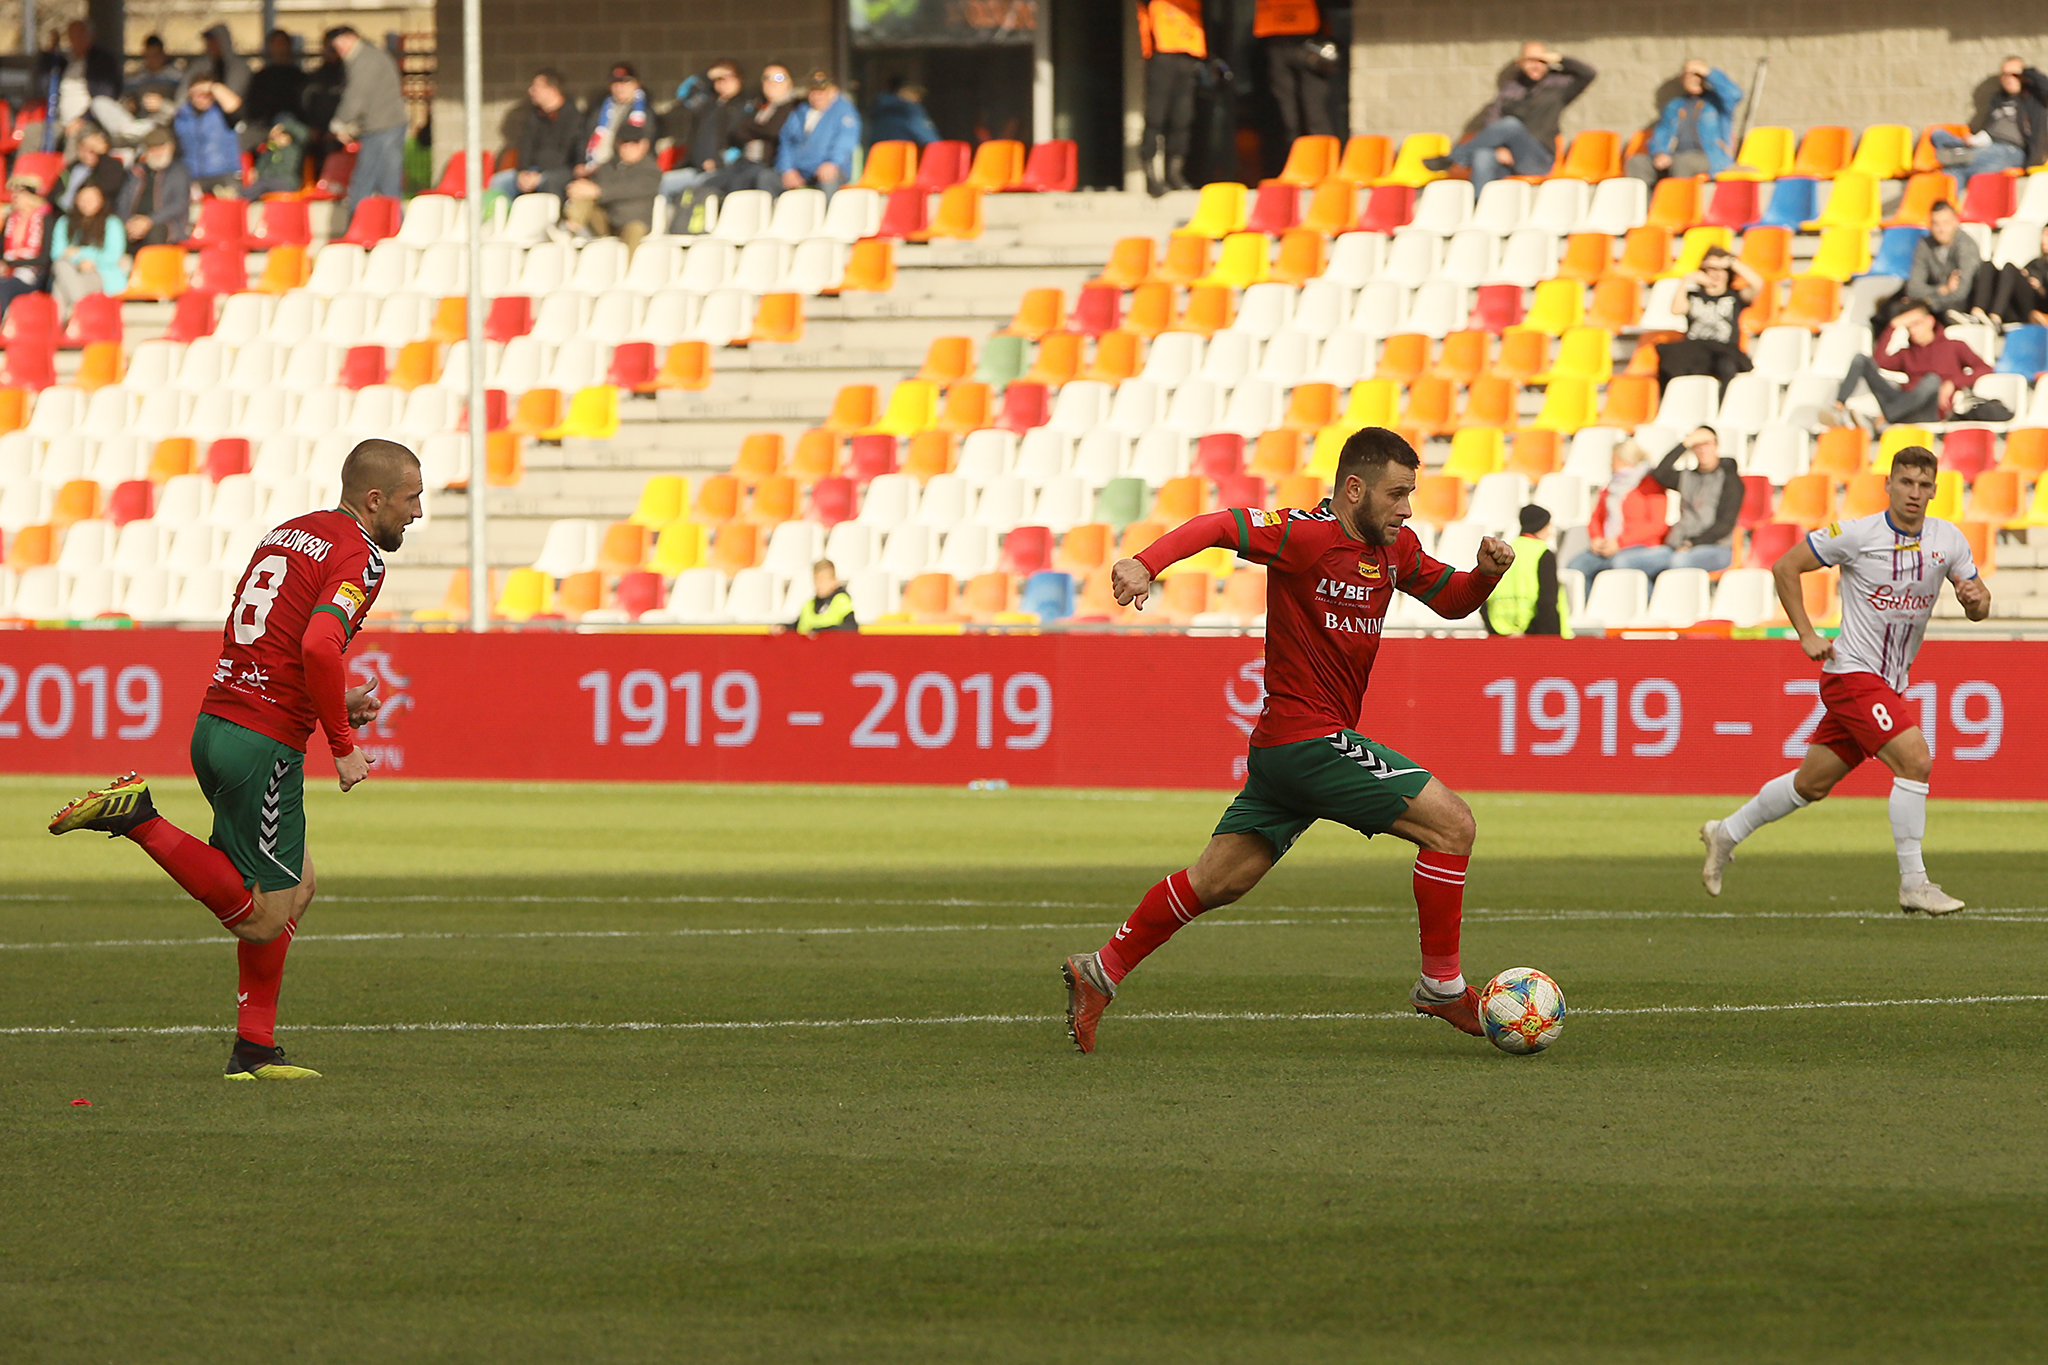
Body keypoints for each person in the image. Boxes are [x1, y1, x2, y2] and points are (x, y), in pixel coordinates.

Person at [1060, 427, 1513, 1053]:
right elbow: (1220, 524)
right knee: (1452, 826)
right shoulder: (1306, 535)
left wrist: (1484, 575)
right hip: (1309, 740)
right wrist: (1146, 564)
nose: (1407, 509)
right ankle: (1441, 986)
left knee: (1218, 880)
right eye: (1396, 494)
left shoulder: (1397, 549)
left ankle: (1100, 970)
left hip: (1285, 751)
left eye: (1410, 494)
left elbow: (1453, 601)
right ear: (1353, 489)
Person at [48, 440, 424, 1081]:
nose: (416, 513)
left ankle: (254, 1047)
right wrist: (342, 744)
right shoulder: (360, 556)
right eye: (411, 499)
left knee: (297, 885)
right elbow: (319, 645)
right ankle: (138, 818)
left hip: (220, 722)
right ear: (374, 499)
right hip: (263, 743)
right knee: (265, 917)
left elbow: (279, 641)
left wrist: (335, 701)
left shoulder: (291, 533)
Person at [1700, 446, 1990, 915]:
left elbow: (1980, 606)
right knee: (1915, 760)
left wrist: (1976, 599)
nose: (1914, 493)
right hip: (1851, 672)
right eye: (1906, 482)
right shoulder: (1856, 535)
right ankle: (1914, 884)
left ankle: (1726, 832)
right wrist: (1807, 633)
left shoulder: (1948, 540)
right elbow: (1785, 566)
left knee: (1811, 784)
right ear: (1888, 485)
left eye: (1923, 485)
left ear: (1935, 490)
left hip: (1888, 682)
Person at [1429, 43, 1596, 190]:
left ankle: (1454, 158)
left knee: (1510, 124)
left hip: (1538, 159)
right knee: (1482, 155)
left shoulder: (1559, 86)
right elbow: (1493, 118)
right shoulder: (1512, 88)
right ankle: (1479, 207)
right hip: (1510, 159)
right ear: (1520, 62)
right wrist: (1500, 148)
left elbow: (1588, 74)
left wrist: (1558, 58)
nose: (1535, 65)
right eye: (1530, 60)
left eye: (1540, 61)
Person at [1831, 301, 1992, 430]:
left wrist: (1953, 383)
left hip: (1930, 410)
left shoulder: (1955, 346)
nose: (1913, 330)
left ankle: (1885, 418)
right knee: (1861, 359)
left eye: (1917, 324)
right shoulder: (1906, 353)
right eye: (1909, 327)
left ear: (1930, 321)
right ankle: (1839, 407)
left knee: (1932, 380)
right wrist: (1892, 326)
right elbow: (1878, 362)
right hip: (1904, 402)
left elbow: (1985, 368)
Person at [1622, 427, 1744, 582]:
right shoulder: (1687, 477)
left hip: (1716, 548)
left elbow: (1725, 524)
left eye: (1707, 443)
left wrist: (1692, 543)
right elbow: (1660, 473)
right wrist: (1685, 443)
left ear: (1716, 446)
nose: (1702, 449)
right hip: (1677, 546)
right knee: (1624, 562)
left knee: (1677, 562)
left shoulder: (1730, 480)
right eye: (1697, 444)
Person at [326, 26, 409, 231]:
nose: (340, 49)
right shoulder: (370, 56)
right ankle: (395, 229)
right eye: (336, 46)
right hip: (385, 125)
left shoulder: (364, 59)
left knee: (364, 182)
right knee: (388, 183)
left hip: (381, 128)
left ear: (353, 38)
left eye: (342, 43)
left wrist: (339, 123)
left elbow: (356, 96)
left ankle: (357, 230)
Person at [1656, 246, 1761, 395]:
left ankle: (1722, 405)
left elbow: (1758, 284)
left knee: (1726, 366)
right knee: (1672, 361)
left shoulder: (1735, 296)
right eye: (1711, 269)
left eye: (1721, 269)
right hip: (1696, 349)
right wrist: (1686, 280)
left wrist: (1732, 262)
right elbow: (1676, 309)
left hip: (1724, 349)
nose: (1716, 274)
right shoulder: (1694, 296)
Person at [1566, 439, 1666, 585]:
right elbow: (1596, 517)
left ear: (1626, 460)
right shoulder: (1610, 487)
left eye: (1614, 460)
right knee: (1576, 566)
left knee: (1619, 564)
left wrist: (1620, 542)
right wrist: (1597, 538)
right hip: (1607, 545)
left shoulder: (1651, 485)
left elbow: (1656, 525)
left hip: (1640, 546)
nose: (1611, 465)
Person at [1930, 57, 2048, 181]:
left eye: (2014, 74)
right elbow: (1989, 128)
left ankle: (1957, 157)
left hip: (2012, 150)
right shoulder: (1998, 99)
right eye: (2004, 74)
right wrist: (1973, 140)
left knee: (1957, 168)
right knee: (1938, 135)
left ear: (2023, 76)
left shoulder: (2034, 98)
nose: (2008, 78)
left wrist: (2027, 71)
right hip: (1986, 145)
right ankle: (1955, 165)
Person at [1626, 60, 1742, 184]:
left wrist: (1709, 73)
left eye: (1699, 75)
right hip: (1675, 157)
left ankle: (1677, 196)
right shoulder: (1674, 106)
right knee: (1637, 162)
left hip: (1710, 158)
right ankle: (1645, 197)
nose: (1695, 79)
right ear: (1682, 79)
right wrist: (1659, 152)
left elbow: (1735, 94)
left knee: (1682, 162)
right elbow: (1661, 133)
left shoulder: (1718, 102)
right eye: (1689, 75)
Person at [1137, 0, 1207, 196]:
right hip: (1162, 54)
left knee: (1182, 119)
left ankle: (1175, 173)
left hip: (1189, 53)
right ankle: (1150, 175)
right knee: (1155, 117)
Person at [660, 61, 752, 205]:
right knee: (664, 184)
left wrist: (719, 161)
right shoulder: (708, 103)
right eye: (719, 79)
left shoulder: (745, 106)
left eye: (728, 78)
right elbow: (683, 94)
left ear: (738, 80)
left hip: (721, 172)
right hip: (695, 168)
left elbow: (743, 142)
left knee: (698, 198)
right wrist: (706, 76)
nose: (723, 83)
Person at [561, 114, 659, 246]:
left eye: (634, 143)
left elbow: (630, 189)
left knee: (634, 230)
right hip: (607, 220)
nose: (629, 147)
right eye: (625, 142)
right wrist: (580, 189)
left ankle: (626, 261)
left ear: (644, 145)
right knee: (584, 194)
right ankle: (570, 226)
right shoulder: (608, 166)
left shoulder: (651, 170)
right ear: (618, 144)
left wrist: (598, 191)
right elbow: (594, 187)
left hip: (633, 221)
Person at [490, 70, 583, 199]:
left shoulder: (573, 117)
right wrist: (523, 172)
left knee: (549, 182)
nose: (531, 91)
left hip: (560, 171)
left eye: (536, 87)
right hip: (532, 171)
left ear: (552, 90)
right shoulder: (534, 116)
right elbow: (526, 146)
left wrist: (539, 176)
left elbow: (566, 154)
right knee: (499, 182)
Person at [1484, 505, 1570, 637]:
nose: (1550, 533)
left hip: (1499, 630)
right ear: (1539, 527)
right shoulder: (1543, 553)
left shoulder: (1503, 552)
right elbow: (1547, 602)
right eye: (1547, 527)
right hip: (1536, 634)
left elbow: (1485, 597)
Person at [1256, 0, 1334, 145]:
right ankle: (1296, 154)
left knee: (1311, 109)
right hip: (1278, 41)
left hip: (1307, 42)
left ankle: (1320, 154)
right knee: (1287, 113)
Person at [1895, 201, 1981, 328]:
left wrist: (1930, 301)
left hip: (1962, 306)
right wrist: (1943, 289)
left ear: (1956, 222)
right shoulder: (1925, 244)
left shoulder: (1966, 246)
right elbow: (1913, 288)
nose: (1941, 229)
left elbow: (1962, 292)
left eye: (1946, 223)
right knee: (1892, 310)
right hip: (1936, 304)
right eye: (1936, 224)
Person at [37, 21, 122, 146]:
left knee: (75, 141)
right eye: (73, 35)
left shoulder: (102, 61)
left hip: (89, 122)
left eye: (81, 35)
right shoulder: (65, 62)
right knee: (33, 132)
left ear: (91, 36)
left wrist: (83, 119)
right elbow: (44, 84)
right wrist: (51, 51)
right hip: (61, 120)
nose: (76, 39)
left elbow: (105, 97)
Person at [777, 71, 860, 198]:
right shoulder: (800, 111)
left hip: (828, 169)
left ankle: (828, 212)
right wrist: (787, 169)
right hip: (800, 171)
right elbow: (786, 141)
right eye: (813, 91)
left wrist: (833, 162)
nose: (817, 96)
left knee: (828, 181)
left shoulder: (843, 111)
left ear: (832, 91)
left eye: (822, 91)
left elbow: (845, 142)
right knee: (767, 178)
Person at [50, 181, 125, 317]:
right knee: (61, 265)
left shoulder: (112, 223)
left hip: (101, 274)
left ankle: (57, 323)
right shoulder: (64, 222)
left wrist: (83, 255)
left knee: (60, 284)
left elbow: (113, 256)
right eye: (83, 199)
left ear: (101, 200)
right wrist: (79, 262)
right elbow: (57, 253)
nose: (87, 203)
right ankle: (81, 312)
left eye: (92, 199)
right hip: (71, 271)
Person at [116, 127, 192, 246]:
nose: (156, 152)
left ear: (170, 148)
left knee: (156, 232)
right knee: (113, 227)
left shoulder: (178, 171)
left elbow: (178, 204)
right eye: (152, 148)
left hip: (165, 224)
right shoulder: (138, 171)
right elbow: (123, 199)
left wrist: (149, 221)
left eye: (160, 148)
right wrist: (128, 222)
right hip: (134, 223)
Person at [1965, 223, 2048, 327]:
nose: (2043, 240)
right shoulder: (2036, 262)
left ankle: (1996, 317)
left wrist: (2041, 288)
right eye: (2043, 234)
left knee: (2009, 268)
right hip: (2013, 304)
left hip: (2036, 307)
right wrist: (2025, 276)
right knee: (1988, 266)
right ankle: (1978, 312)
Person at [175, 81, 246, 196]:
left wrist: (213, 86)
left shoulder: (222, 113)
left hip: (225, 175)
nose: (203, 99)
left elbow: (235, 106)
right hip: (194, 177)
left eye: (207, 95)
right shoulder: (182, 116)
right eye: (199, 95)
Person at [580, 63, 651, 177]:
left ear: (636, 84)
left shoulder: (644, 112)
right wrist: (580, 163)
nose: (620, 87)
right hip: (594, 164)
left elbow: (644, 144)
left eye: (625, 82)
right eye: (615, 83)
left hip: (624, 169)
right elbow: (585, 136)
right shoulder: (599, 108)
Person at [241, 31, 308, 150]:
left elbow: (304, 105)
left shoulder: (300, 77)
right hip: (264, 128)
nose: (279, 47)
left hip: (293, 127)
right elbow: (253, 106)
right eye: (275, 44)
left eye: (282, 43)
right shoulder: (260, 77)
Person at [0, 177, 55, 319]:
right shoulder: (10, 219)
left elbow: (43, 259)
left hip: (31, 273)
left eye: (20, 194)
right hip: (7, 270)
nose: (15, 198)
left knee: (3, 287)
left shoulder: (45, 219)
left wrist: (10, 264)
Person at [56, 123, 126, 212]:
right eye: (83, 148)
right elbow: (55, 194)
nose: (87, 153)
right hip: (61, 213)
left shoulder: (111, 167)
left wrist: (102, 155)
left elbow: (108, 187)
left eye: (93, 150)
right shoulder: (73, 167)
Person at [247, 113, 312, 199]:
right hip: (268, 181)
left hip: (287, 182)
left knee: (262, 185)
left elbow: (303, 133)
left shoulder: (295, 148)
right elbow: (263, 165)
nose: (279, 138)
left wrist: (283, 126)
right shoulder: (271, 149)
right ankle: (239, 199)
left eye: (282, 134)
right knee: (259, 185)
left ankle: (241, 199)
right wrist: (257, 171)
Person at [867, 76, 940, 147]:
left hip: (877, 150)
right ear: (902, 91)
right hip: (904, 151)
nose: (918, 99)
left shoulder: (878, 107)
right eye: (916, 94)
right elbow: (927, 136)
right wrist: (939, 147)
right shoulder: (911, 109)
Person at [187, 23, 253, 102]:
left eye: (214, 42)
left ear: (224, 42)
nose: (210, 46)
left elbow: (234, 93)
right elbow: (185, 90)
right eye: (208, 42)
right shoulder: (199, 65)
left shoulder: (240, 67)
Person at [796, 560, 857, 634]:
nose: (819, 583)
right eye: (816, 579)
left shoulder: (841, 600)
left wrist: (822, 632)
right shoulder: (808, 605)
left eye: (823, 579)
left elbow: (851, 628)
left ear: (834, 581)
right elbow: (795, 629)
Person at [126, 33, 184, 101]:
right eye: (149, 56)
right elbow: (126, 97)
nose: (153, 60)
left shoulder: (175, 77)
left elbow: (181, 102)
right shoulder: (136, 78)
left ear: (163, 55)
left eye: (156, 55)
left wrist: (162, 104)